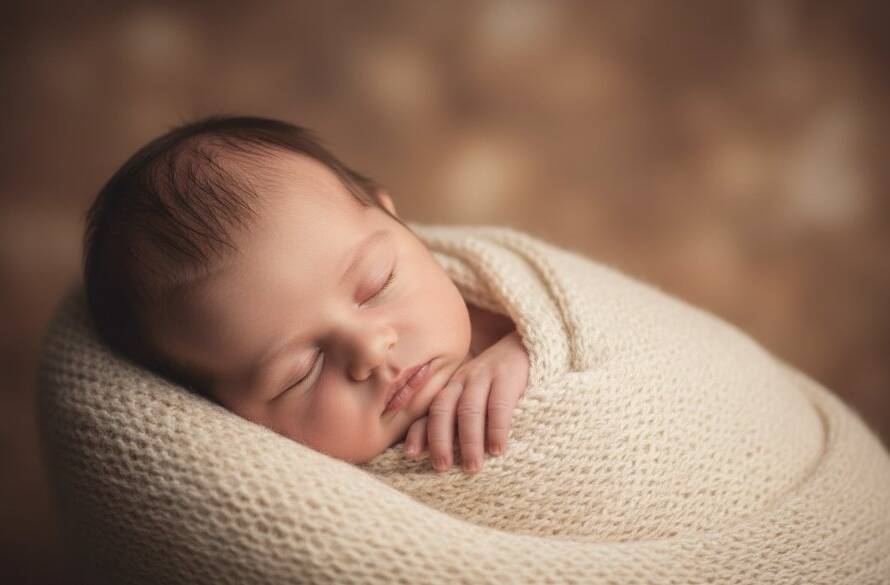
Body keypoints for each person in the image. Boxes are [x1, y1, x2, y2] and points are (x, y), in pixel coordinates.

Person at [83, 116, 530, 474]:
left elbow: (593, 317)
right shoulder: (312, 501)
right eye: (301, 372)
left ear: (399, 222)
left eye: (377, 284)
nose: (370, 349)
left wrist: (529, 350)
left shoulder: (511, 300)